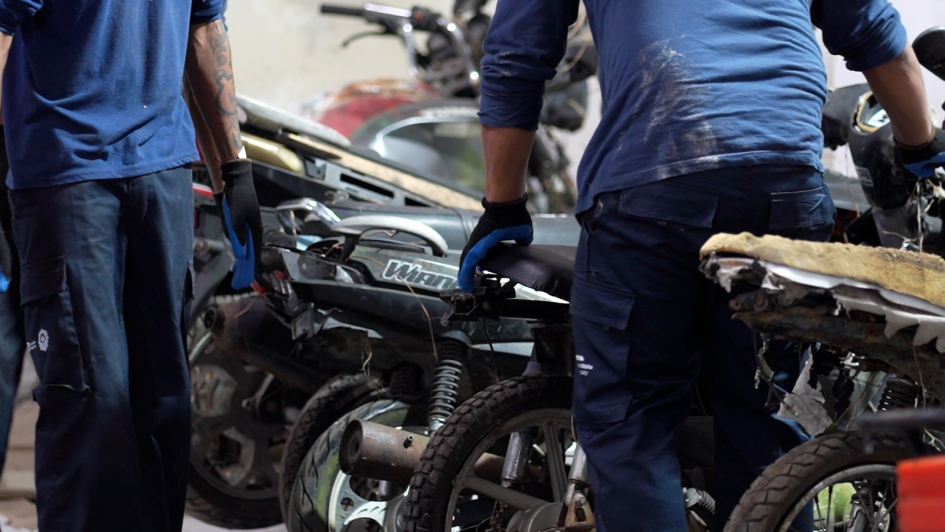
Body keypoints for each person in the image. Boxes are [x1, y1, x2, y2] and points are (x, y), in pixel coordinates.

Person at [458, 0, 945, 530]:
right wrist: (920, 145)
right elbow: (877, 36)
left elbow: (515, 56)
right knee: (764, 416)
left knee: (632, 422)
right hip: (784, 183)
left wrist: (503, 206)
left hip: (653, 179)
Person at [0, 1, 262, 531]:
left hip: (161, 168)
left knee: (164, 403)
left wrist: (233, 170)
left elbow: (203, 24)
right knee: (92, 403)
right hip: (67, 172)